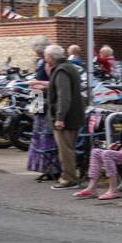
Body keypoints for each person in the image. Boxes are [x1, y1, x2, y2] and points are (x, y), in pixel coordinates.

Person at [73, 96, 122, 200]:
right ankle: (91, 188)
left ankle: (113, 190)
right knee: (95, 152)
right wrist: (117, 145)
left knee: (107, 154)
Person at [43, 44, 84, 188]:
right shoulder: (68, 67)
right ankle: (69, 176)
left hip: (66, 118)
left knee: (65, 149)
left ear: (52, 57)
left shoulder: (61, 71)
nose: (45, 59)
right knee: (68, 148)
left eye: (46, 56)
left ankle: (69, 178)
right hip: (72, 115)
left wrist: (60, 117)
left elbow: (63, 96)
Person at [25, 37, 60, 182]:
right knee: (39, 132)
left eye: (38, 51)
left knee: (46, 134)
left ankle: (51, 168)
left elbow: (53, 82)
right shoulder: (41, 61)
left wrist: (37, 83)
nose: (37, 54)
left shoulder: (49, 63)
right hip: (37, 98)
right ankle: (44, 167)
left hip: (44, 99)